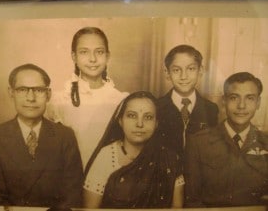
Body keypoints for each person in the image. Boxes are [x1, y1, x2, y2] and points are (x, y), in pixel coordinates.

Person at [0, 64, 83, 209]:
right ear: (11, 93)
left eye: (38, 90)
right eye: (22, 90)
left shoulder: (65, 136)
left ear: (48, 94)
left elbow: (72, 193)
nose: (31, 98)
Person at [83, 91, 184, 208]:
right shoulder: (106, 157)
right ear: (120, 121)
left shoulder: (169, 159)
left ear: (156, 123)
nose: (139, 124)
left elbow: (177, 208)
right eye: (132, 115)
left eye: (148, 117)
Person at [47, 27, 128, 167]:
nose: (93, 59)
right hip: (72, 179)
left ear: (107, 56)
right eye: (84, 52)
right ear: (74, 57)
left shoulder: (121, 100)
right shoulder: (59, 101)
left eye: (99, 52)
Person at [184, 72, 268, 207]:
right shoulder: (198, 142)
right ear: (224, 101)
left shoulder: (266, 143)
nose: (241, 106)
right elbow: (192, 201)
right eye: (234, 98)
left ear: (258, 103)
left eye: (250, 98)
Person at [157, 44, 219, 159]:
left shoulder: (211, 109)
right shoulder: (156, 107)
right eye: (176, 70)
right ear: (167, 72)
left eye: (191, 69)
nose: (184, 76)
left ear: (200, 70)